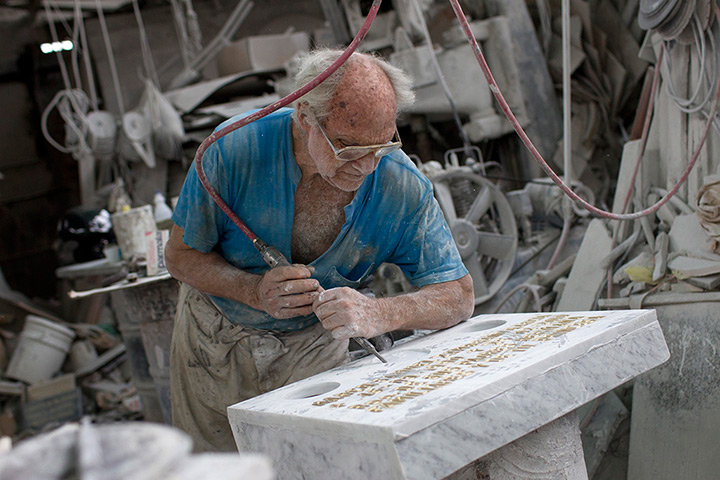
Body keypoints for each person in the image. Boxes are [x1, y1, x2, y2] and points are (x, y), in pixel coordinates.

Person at [164, 49, 475, 452]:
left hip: (314, 345)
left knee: (315, 461)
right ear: (304, 117)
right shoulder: (232, 149)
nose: (365, 166)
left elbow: (458, 296)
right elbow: (179, 257)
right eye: (347, 147)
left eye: (380, 146)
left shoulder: (400, 185)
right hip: (215, 340)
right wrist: (253, 291)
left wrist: (378, 313)